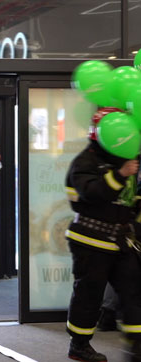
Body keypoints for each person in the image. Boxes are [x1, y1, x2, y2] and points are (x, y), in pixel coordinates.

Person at [62, 106, 141, 362]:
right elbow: (92, 194)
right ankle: (79, 345)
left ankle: (137, 346)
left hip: (120, 241)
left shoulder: (126, 157)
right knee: (89, 293)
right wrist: (120, 175)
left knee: (133, 291)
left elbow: (130, 199)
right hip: (90, 240)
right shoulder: (85, 161)